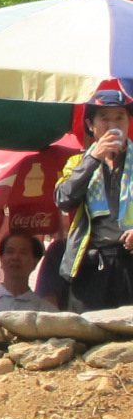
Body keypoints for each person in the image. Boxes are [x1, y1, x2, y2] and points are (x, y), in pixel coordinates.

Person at [55, 81, 133, 312]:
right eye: (104, 119)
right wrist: (93, 159)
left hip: (129, 260)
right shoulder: (78, 162)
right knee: (86, 328)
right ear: (91, 125)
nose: (113, 125)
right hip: (91, 262)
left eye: (119, 118)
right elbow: (63, 199)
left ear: (128, 122)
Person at [0, 229, 48, 314]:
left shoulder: (46, 311)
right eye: (10, 252)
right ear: (1, 259)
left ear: (35, 262)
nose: (15, 257)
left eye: (23, 253)